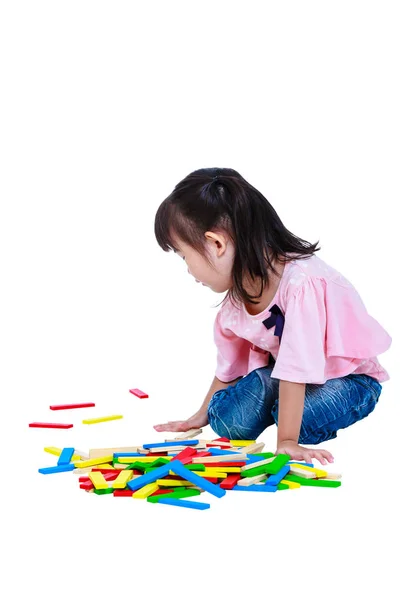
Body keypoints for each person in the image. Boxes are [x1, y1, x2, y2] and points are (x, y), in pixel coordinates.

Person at [152, 168, 392, 464]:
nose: (188, 269)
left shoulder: (301, 283)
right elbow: (229, 367)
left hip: (348, 379)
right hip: (285, 377)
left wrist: (287, 441)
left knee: (297, 421)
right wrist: (199, 416)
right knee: (227, 423)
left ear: (216, 244)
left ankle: (288, 418)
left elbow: (296, 366)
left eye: (183, 255)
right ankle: (282, 411)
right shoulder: (234, 302)